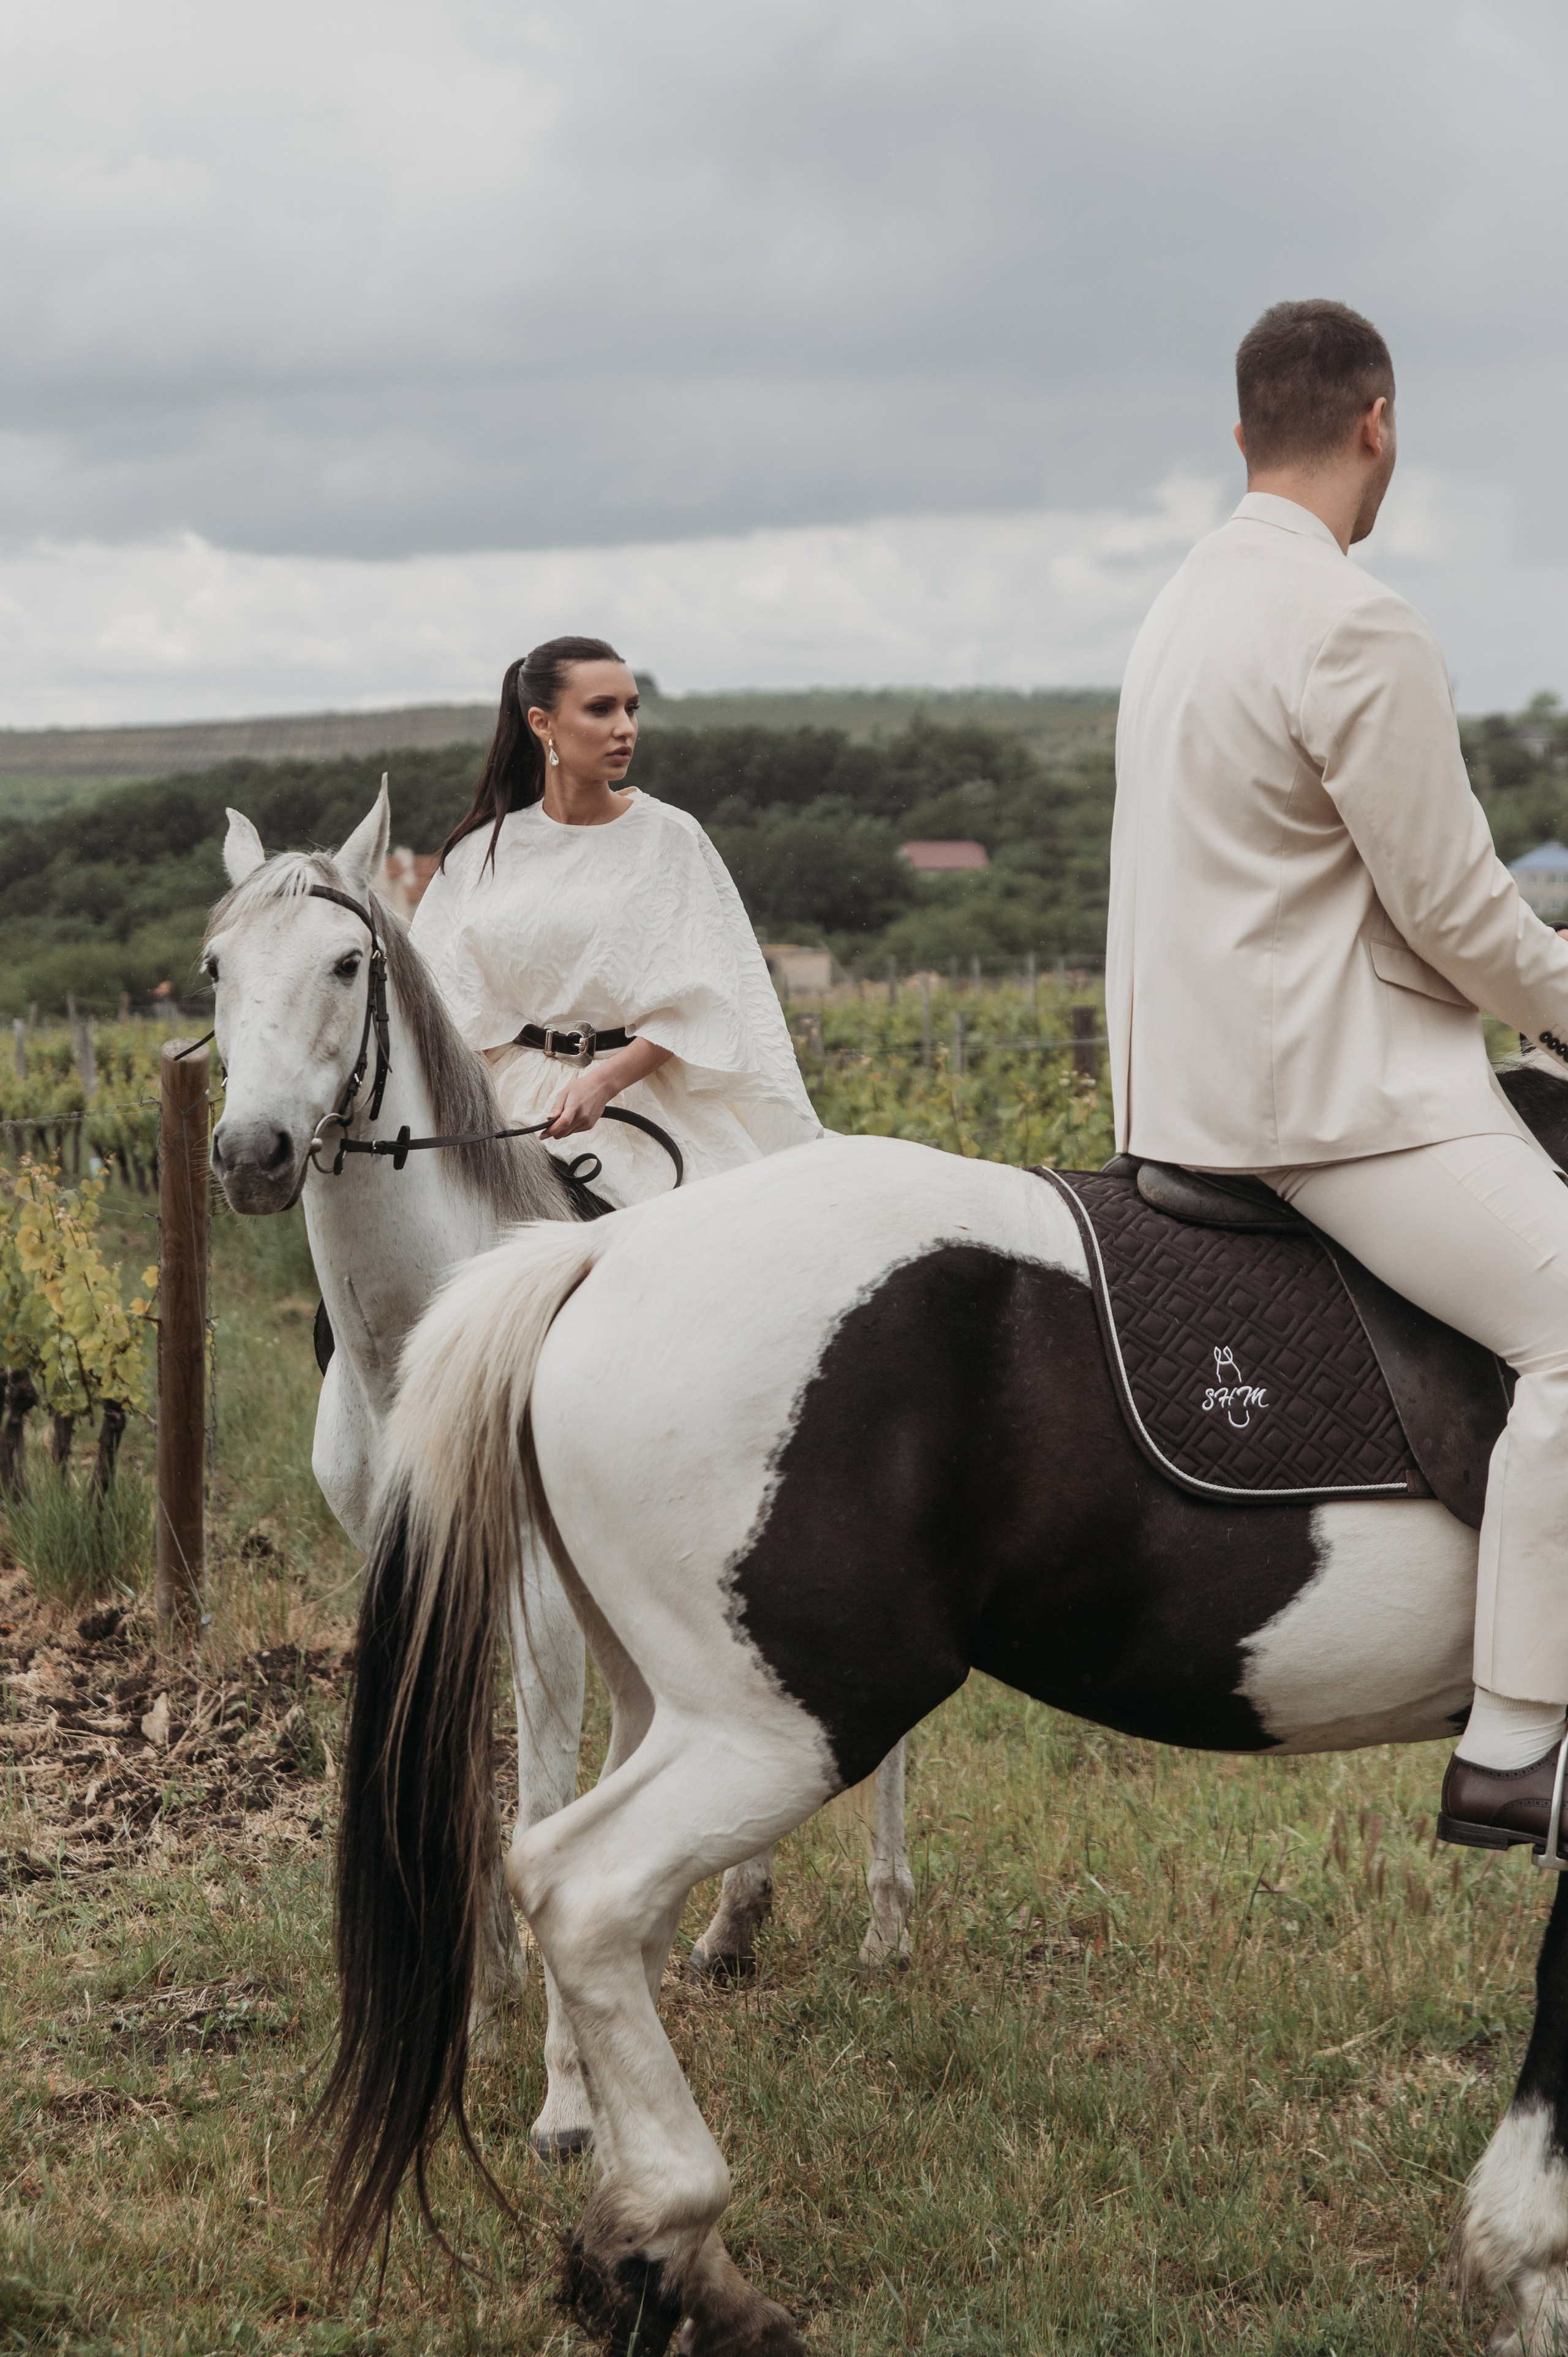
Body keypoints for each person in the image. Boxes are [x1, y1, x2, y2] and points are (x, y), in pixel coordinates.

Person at [1107, 299, 1568, 1849]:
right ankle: (1515, 1742)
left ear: (1241, 433)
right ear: (1376, 422)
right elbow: (1447, 905)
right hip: (1333, 1101)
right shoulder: (1352, 617)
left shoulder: (1179, 602)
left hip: (1187, 1084)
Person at [411, 635, 820, 1214]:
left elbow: (700, 998)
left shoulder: (668, 839)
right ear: (542, 722)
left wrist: (603, 1083)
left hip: (639, 1103)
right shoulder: (481, 851)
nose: (624, 727)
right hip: (500, 1109)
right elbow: (440, 1003)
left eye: (631, 709)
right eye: (600, 709)